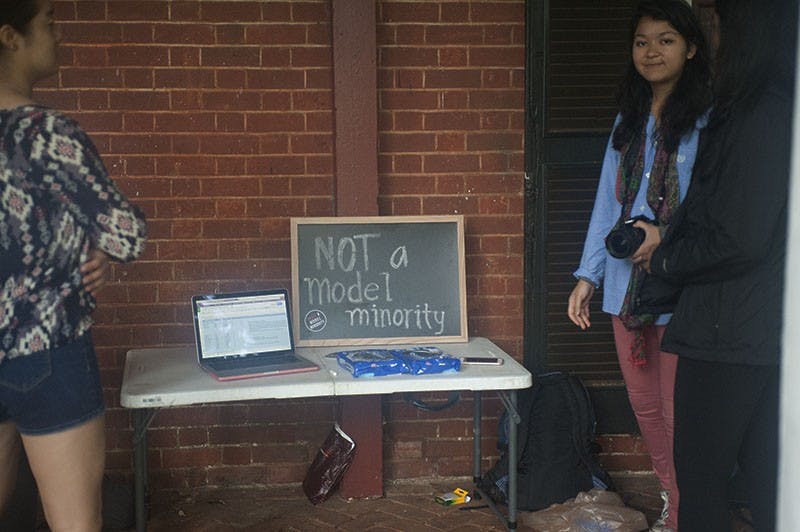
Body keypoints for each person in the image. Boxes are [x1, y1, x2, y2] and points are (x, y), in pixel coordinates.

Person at [638, 0, 798, 529]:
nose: (707, 32)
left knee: (704, 484)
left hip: (729, 331)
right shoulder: (768, 108)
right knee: (765, 484)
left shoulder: (760, 113)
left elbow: (740, 237)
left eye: (715, 19)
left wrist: (665, 261)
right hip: (755, 330)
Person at [0, 0, 147, 530]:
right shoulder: (48, 134)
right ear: (10, 36)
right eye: (48, 23)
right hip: (48, 351)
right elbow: (126, 234)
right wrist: (98, 247)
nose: (58, 34)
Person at [568, 1, 711, 529]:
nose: (652, 51)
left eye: (666, 40)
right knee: (645, 405)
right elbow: (608, 205)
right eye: (642, 41)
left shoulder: (707, 123)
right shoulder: (627, 123)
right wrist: (589, 275)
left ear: (691, 48)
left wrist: (667, 237)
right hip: (626, 286)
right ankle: (674, 499)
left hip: (682, 283)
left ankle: (688, 509)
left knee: (679, 412)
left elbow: (716, 207)